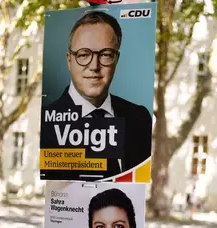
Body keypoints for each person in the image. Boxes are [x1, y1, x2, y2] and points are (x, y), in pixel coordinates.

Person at [42, 10, 152, 178]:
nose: (94, 66)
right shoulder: (46, 122)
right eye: (84, 55)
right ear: (69, 60)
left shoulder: (140, 118)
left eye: (106, 55)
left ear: (117, 59)